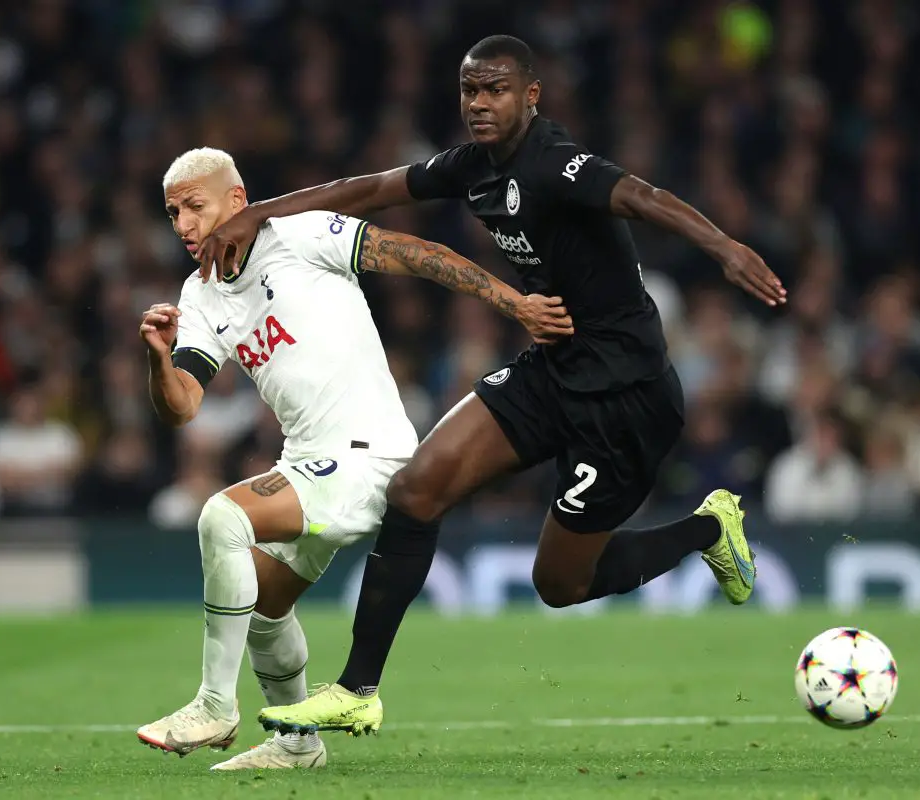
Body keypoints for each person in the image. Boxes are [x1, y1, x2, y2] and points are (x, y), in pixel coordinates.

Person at [198, 35, 786, 738]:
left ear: (531, 96)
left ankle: (705, 528)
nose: (479, 104)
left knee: (560, 585)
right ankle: (358, 688)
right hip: (553, 368)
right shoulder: (473, 168)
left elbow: (640, 194)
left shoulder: (554, 162)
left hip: (624, 397)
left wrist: (724, 247)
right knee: (416, 489)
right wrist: (261, 210)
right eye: (470, 91)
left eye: (496, 90)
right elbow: (372, 189)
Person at [135, 146, 573, 769]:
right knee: (261, 609)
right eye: (172, 212)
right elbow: (181, 407)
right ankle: (297, 746)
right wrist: (157, 355)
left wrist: (516, 304)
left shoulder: (297, 233)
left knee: (220, 518)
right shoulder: (199, 294)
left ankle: (214, 705)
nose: (181, 224)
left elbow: (421, 256)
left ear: (236, 202)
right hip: (308, 461)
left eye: (194, 207)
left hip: (370, 455)